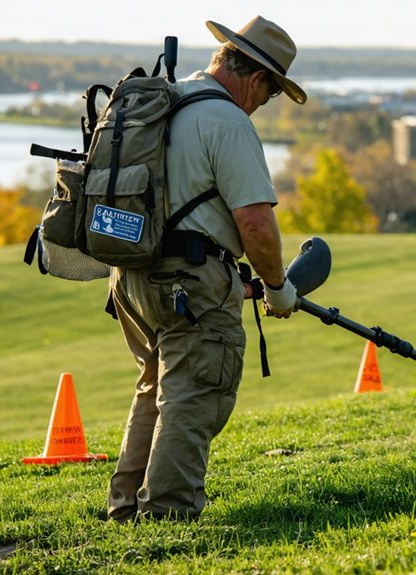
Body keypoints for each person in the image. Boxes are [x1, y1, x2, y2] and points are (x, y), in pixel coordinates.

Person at [106, 15, 307, 522]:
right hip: (189, 280)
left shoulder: (163, 99)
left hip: (131, 274)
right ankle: (166, 515)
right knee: (194, 394)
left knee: (155, 389)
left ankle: (127, 506)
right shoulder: (227, 122)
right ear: (257, 78)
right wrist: (277, 288)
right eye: (271, 94)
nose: (265, 105)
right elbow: (256, 224)